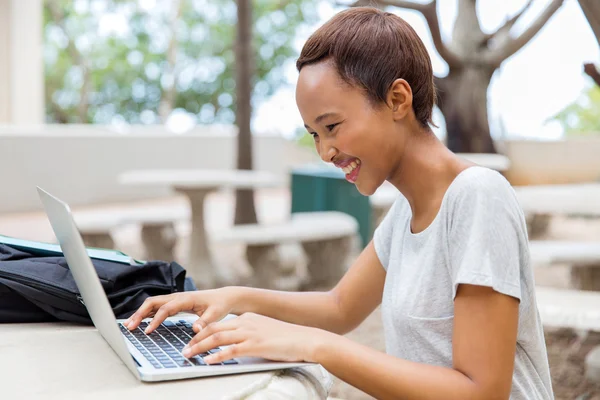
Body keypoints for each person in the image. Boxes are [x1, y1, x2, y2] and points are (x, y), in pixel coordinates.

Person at [125, 7, 553, 399]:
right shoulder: (406, 212)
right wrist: (233, 296)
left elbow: (481, 391)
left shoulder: (478, 197)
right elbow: (340, 308)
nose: (325, 152)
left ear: (398, 100)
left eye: (332, 126)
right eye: (314, 134)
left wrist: (317, 347)